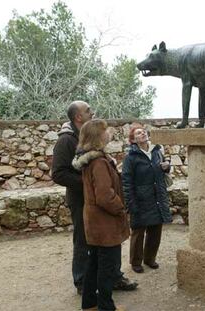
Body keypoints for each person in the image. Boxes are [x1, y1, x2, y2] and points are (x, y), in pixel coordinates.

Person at [52, 101, 136, 294]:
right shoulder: (66, 140)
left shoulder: (89, 137)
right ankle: (83, 283)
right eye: (88, 110)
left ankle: (113, 277)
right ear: (78, 117)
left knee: (108, 239)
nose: (92, 112)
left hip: (98, 199)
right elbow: (58, 174)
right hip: (82, 200)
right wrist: (90, 185)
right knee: (83, 241)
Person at [72, 119, 129, 311]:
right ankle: (106, 307)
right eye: (105, 130)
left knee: (94, 264)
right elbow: (104, 196)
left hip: (95, 221)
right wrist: (120, 208)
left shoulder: (91, 159)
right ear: (98, 135)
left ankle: (89, 304)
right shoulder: (98, 162)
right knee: (107, 268)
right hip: (105, 223)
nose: (109, 133)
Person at [122, 123, 172, 273]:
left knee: (156, 229)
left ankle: (150, 259)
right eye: (138, 133)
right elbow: (126, 181)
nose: (142, 133)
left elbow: (163, 170)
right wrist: (131, 203)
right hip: (140, 198)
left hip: (157, 196)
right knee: (138, 231)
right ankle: (136, 261)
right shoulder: (130, 157)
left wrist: (166, 166)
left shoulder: (156, 151)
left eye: (143, 131)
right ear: (133, 140)